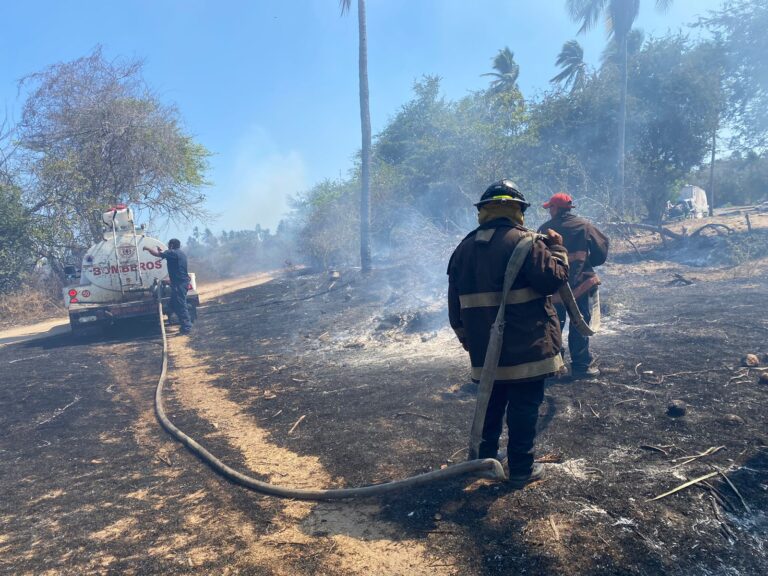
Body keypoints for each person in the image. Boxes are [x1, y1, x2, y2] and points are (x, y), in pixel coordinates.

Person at [448, 180, 569, 486]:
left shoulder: (463, 248)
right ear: (517, 210)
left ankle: (484, 463)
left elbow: (455, 306)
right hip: (528, 347)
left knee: (490, 405)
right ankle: (520, 470)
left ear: (484, 211)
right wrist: (557, 249)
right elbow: (552, 281)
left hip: (485, 351)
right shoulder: (528, 242)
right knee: (524, 408)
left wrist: (468, 340)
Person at [538, 193, 609, 378]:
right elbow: (602, 248)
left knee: (554, 327)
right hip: (580, 286)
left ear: (556, 208)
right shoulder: (584, 226)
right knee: (580, 324)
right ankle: (581, 365)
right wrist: (588, 263)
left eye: (550, 208)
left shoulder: (545, 229)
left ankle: (554, 366)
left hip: (555, 288)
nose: (549, 211)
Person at [144, 238, 193, 335]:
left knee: (180, 305)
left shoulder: (173, 253)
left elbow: (157, 254)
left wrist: (148, 248)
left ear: (171, 245)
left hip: (179, 284)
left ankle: (186, 327)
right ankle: (182, 322)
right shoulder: (180, 253)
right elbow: (166, 255)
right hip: (180, 282)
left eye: (169, 245)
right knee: (173, 305)